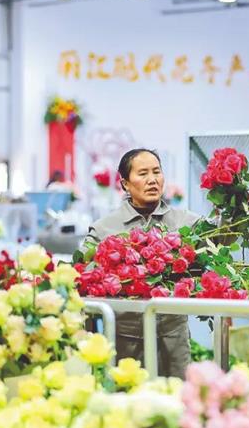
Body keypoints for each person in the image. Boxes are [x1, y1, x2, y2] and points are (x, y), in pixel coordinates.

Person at [82, 148, 199, 378]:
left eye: (157, 172)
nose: (152, 179)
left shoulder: (185, 222)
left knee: (175, 393)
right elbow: (84, 276)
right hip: (124, 336)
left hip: (173, 335)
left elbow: (220, 238)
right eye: (143, 173)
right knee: (126, 393)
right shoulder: (104, 229)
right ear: (125, 184)